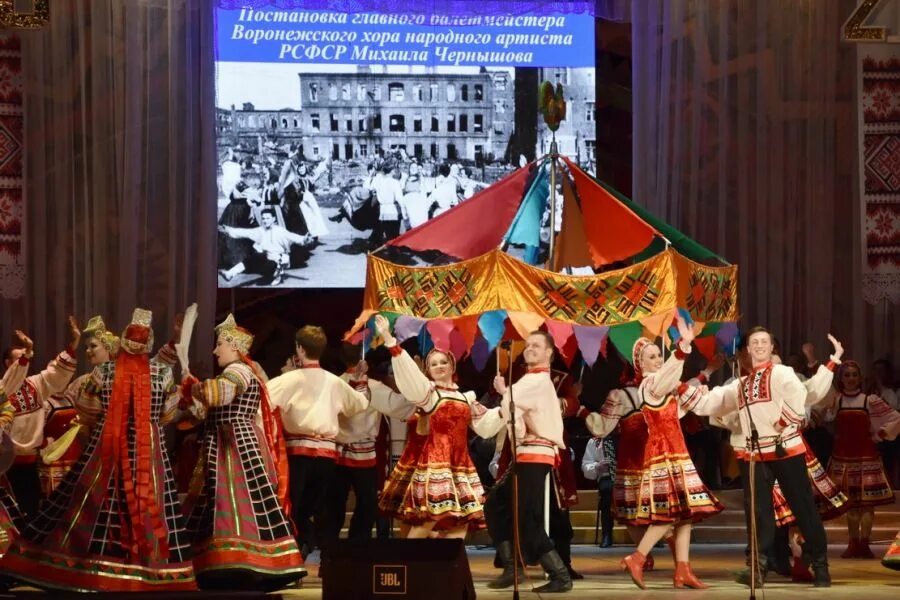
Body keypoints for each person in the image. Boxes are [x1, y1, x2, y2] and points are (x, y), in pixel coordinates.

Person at [0, 309, 196, 592]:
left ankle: (88, 563)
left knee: (93, 499)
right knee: (150, 499)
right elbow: (168, 413)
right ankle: (147, 567)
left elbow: (86, 408)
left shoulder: (103, 373)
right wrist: (147, 421)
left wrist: (105, 421)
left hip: (106, 446)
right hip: (148, 450)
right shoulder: (162, 374)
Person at [704, 326, 835, 587]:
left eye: (765, 341)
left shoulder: (784, 372)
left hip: (784, 448)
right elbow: (716, 405)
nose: (761, 346)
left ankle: (820, 564)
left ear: (773, 347)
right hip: (753, 453)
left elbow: (803, 395)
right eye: (755, 342)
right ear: (747, 350)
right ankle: (758, 568)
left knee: (803, 507)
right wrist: (687, 392)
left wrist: (784, 420)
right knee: (758, 512)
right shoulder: (739, 383)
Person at [181, 314, 305, 590]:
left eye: (219, 345)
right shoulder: (237, 372)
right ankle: (218, 563)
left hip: (233, 445)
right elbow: (201, 410)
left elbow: (218, 395)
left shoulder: (238, 371)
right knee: (220, 500)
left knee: (234, 499)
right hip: (224, 441)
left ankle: (238, 563)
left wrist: (195, 386)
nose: (215, 350)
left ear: (234, 346)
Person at [615, 318, 733, 590]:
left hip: (678, 455)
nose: (657, 359)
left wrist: (730, 395)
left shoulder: (669, 388)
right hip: (663, 456)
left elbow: (699, 405)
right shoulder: (649, 385)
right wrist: (683, 346)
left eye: (659, 355)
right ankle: (638, 556)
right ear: (640, 364)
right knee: (669, 514)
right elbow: (668, 375)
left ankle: (682, 569)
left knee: (686, 514)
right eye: (651, 356)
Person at [374, 314, 504, 541]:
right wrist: (390, 341)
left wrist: (508, 404)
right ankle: (410, 568)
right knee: (426, 520)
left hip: (460, 466)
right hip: (435, 464)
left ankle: (446, 570)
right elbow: (410, 378)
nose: (439, 366)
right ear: (428, 369)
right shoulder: (428, 395)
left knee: (460, 523)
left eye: (443, 362)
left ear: (452, 365)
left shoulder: (466, 398)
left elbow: (485, 427)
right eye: (433, 364)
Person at [266, 325, 369, 561]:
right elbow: (360, 404)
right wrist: (361, 380)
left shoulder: (289, 379)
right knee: (321, 508)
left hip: (298, 453)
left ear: (299, 349)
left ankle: (297, 551)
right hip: (327, 455)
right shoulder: (333, 382)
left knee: (294, 507)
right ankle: (325, 557)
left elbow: (262, 400)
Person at [487, 331, 571, 593]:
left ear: (549, 353)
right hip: (526, 454)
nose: (530, 348)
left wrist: (504, 392)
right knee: (497, 504)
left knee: (527, 517)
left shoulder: (536, 381)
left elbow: (513, 410)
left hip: (535, 453)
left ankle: (560, 575)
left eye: (537, 345)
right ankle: (513, 566)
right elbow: (517, 420)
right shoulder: (529, 380)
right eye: (529, 345)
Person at [822, 360, 900, 559]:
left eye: (854, 375)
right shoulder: (836, 401)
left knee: (866, 504)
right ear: (841, 379)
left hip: (866, 458)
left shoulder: (869, 400)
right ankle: (853, 543)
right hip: (843, 459)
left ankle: (864, 544)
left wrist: (879, 435)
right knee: (850, 505)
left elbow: (895, 418)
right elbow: (824, 418)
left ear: (860, 378)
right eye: (846, 375)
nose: (850, 379)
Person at [3, 317, 79, 519]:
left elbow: (56, 374)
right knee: (11, 510)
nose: (24, 363)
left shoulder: (35, 385)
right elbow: (13, 378)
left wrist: (73, 344)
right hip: (7, 461)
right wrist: (27, 353)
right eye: (19, 359)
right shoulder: (3, 389)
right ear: (8, 363)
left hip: (31, 459)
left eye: (27, 358)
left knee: (32, 505)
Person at [37, 316, 121, 497]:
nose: (89, 351)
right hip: (89, 448)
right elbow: (60, 401)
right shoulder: (83, 382)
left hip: (118, 444)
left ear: (107, 347)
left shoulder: (122, 378)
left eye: (94, 346)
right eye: (87, 347)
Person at [218, 208, 313, 285]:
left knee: (267, 274)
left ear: (273, 219)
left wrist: (304, 239)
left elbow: (294, 237)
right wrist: (228, 230)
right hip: (266, 258)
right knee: (253, 258)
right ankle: (230, 274)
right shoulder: (260, 230)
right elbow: (244, 232)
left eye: (268, 218)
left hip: (279, 259)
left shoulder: (280, 231)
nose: (265, 221)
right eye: (263, 219)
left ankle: (278, 274)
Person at [582, 434, 615, 548]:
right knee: (607, 489)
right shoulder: (595, 441)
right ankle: (607, 534)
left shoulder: (627, 435)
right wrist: (597, 466)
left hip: (628, 475)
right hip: (607, 476)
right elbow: (586, 465)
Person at [369, 164, 406, 246]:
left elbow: (371, 188)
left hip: (383, 211)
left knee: (387, 233)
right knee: (394, 235)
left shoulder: (379, 182)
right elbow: (399, 199)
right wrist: (405, 210)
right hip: (393, 210)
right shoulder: (395, 182)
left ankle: (388, 251)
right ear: (392, 171)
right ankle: (393, 255)